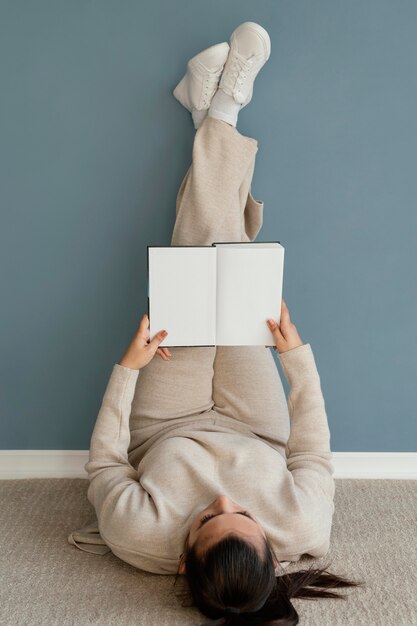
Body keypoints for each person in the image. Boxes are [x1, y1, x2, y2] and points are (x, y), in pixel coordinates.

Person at [68, 22, 364, 625]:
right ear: (273, 552)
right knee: (231, 266)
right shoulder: (303, 526)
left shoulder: (135, 534)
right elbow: (312, 450)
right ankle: (214, 113)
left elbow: (105, 463)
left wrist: (128, 370)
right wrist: (296, 356)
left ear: (181, 561)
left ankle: (219, 113)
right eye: (246, 515)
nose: (221, 499)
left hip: (166, 424)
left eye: (205, 518)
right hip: (255, 423)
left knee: (197, 262)